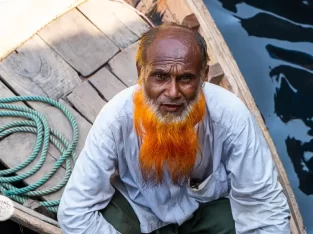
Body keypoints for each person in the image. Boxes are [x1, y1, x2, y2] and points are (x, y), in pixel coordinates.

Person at [57, 23, 291, 234]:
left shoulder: (231, 117)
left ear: (204, 77)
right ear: (141, 73)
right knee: (103, 216)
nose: (172, 93)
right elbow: (74, 212)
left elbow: (264, 206)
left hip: (204, 214)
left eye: (186, 79)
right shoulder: (115, 119)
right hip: (140, 214)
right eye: (160, 76)